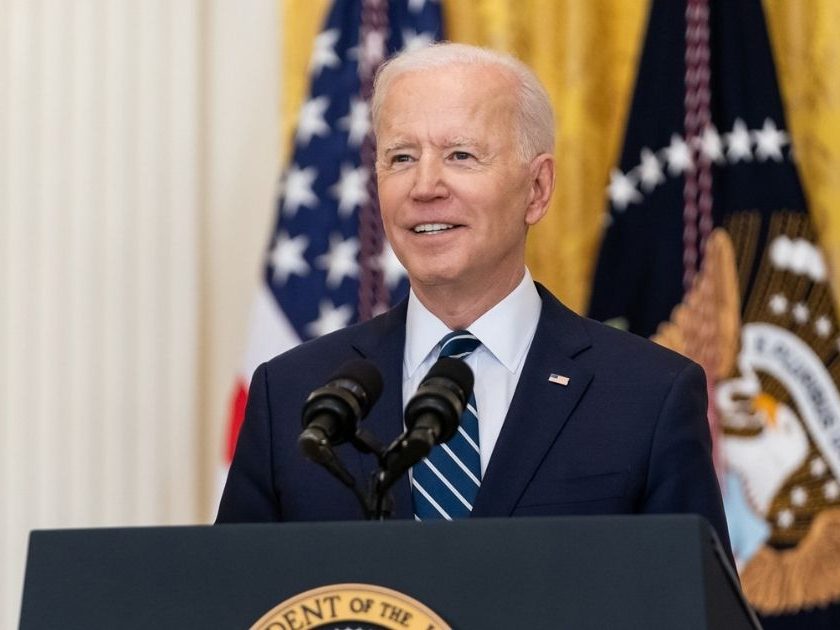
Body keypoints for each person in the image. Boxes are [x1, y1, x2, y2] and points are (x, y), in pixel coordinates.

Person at [217, 42, 733, 561]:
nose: (425, 186)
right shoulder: (291, 397)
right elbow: (234, 603)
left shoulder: (649, 396)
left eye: (461, 155)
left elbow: (692, 608)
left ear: (537, 189)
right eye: (401, 157)